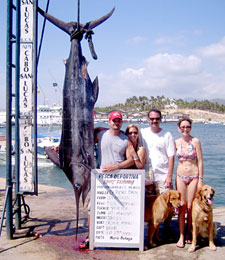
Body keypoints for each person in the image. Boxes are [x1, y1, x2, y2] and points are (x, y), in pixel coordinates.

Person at [80, 111, 134, 249]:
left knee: (115, 209)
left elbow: (131, 160)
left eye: (119, 121)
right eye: (114, 120)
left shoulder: (125, 139)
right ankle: (91, 236)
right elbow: (83, 142)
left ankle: (113, 236)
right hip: (100, 177)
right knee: (92, 208)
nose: (116, 123)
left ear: (121, 122)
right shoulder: (100, 135)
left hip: (118, 179)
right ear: (109, 122)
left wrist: (116, 166)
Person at [175, 117, 203, 248]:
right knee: (182, 206)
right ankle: (181, 235)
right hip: (180, 176)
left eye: (188, 126)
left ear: (190, 128)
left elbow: (200, 161)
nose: (185, 129)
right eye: (183, 127)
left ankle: (189, 234)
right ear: (179, 128)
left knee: (191, 206)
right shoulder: (176, 142)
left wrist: (200, 179)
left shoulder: (196, 141)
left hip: (194, 176)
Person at [139, 109, 176, 195]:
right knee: (148, 206)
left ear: (160, 119)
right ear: (148, 119)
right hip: (147, 177)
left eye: (157, 118)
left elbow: (171, 157)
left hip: (163, 178)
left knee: (165, 206)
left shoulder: (167, 135)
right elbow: (129, 133)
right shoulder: (142, 133)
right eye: (152, 119)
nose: (154, 121)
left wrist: (169, 177)